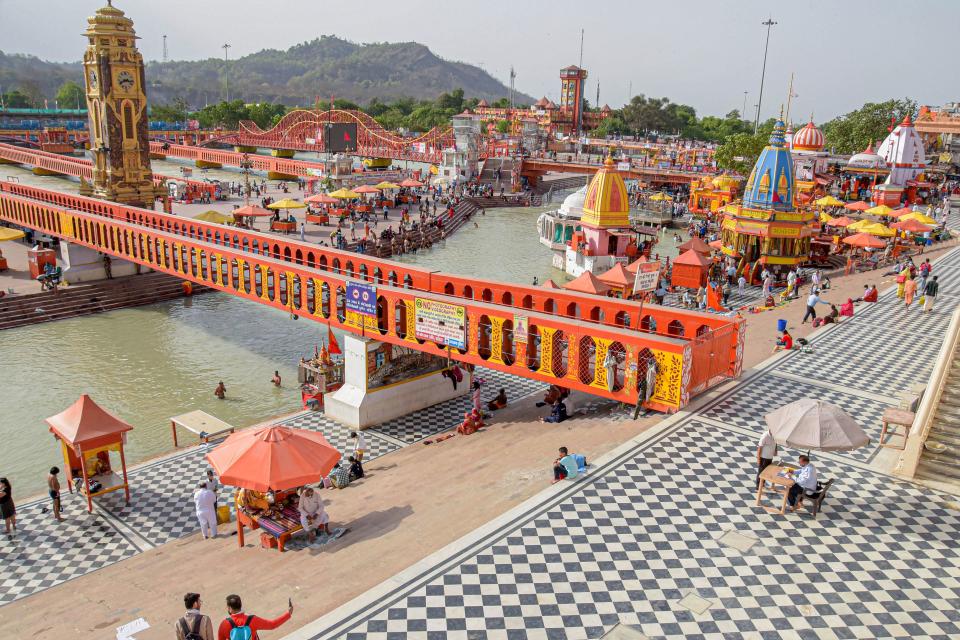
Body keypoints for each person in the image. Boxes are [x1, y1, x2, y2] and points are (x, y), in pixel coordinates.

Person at [217, 594, 292, 640]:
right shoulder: (252, 619)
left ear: (230, 608)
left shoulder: (224, 624)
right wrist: (288, 614)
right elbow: (272, 625)